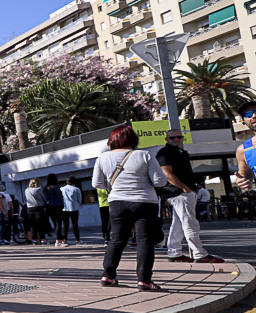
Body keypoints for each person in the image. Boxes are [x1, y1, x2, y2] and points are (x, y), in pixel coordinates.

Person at [92, 124, 168, 291]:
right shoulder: (144, 155)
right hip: (144, 202)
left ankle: (108, 275)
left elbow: (96, 183)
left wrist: (114, 186)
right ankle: (144, 280)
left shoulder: (102, 158)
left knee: (117, 239)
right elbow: (159, 181)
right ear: (133, 139)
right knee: (144, 240)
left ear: (112, 140)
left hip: (117, 202)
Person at [157, 129, 224, 264]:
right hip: (179, 193)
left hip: (183, 192)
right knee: (190, 223)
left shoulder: (181, 152)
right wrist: (184, 188)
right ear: (166, 140)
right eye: (172, 138)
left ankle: (174, 252)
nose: (176, 140)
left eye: (179, 137)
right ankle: (199, 253)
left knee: (179, 225)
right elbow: (166, 173)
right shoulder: (165, 153)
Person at [234, 101, 256, 191]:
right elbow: (245, 178)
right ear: (244, 120)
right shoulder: (243, 150)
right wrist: (242, 182)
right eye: (249, 114)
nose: (254, 115)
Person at [60, 176, 83, 245]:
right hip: (74, 209)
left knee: (65, 225)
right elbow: (80, 200)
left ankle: (65, 240)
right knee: (75, 225)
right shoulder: (76, 189)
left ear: (66, 182)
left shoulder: (62, 189)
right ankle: (77, 240)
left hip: (64, 209)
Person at [45, 173, 65, 246]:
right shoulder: (56, 187)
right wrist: (62, 206)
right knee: (58, 224)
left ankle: (61, 238)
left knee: (55, 223)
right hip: (57, 207)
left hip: (49, 207)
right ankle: (58, 240)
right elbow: (60, 198)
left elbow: (45, 198)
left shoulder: (46, 188)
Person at [24, 178, 46, 244]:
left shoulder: (26, 190)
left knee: (33, 225)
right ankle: (42, 239)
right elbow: (44, 198)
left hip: (30, 209)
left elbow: (25, 199)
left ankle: (34, 240)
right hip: (38, 208)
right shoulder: (39, 189)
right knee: (40, 224)